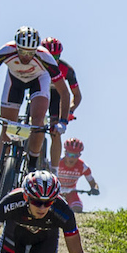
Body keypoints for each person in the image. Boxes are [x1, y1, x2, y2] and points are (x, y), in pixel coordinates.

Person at [0, 27, 68, 193]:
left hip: (39, 80)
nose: (26, 56)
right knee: (7, 126)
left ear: (36, 50)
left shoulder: (44, 57)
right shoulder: (6, 51)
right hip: (14, 81)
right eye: (22, 51)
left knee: (37, 122)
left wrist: (63, 121)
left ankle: (32, 162)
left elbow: (64, 92)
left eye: (30, 52)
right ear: (16, 47)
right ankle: (1, 170)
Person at [40, 37, 82, 169]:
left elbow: (77, 95)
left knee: (55, 132)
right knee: (34, 121)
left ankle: (54, 170)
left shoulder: (67, 70)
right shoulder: (35, 64)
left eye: (56, 56)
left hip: (57, 97)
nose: (53, 59)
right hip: (39, 93)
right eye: (48, 55)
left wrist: (70, 110)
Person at [56, 137, 100, 212]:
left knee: (77, 209)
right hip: (56, 192)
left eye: (75, 155)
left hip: (72, 193)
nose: (71, 158)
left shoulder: (83, 167)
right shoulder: (56, 163)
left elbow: (93, 183)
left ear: (79, 155)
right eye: (69, 154)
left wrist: (95, 189)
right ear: (65, 153)